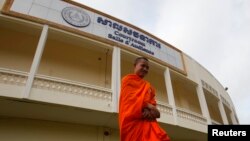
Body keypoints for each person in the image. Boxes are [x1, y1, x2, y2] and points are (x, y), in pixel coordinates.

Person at [119, 57, 170, 141]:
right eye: (142, 66)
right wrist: (148, 106)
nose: (145, 69)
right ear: (135, 66)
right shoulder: (127, 80)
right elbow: (129, 101)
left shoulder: (149, 88)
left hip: (148, 122)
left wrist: (151, 109)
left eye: (147, 67)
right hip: (131, 123)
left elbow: (156, 113)